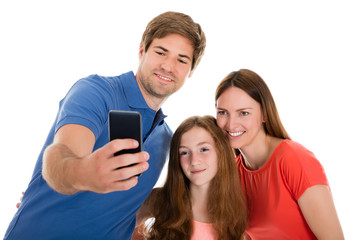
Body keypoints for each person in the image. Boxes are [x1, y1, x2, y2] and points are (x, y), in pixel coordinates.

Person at [4, 11, 206, 240]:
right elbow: (59, 157)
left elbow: (128, 210)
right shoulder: (95, 92)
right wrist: (83, 173)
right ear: (142, 51)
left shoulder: (166, 138)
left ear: (190, 72)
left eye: (181, 60)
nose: (168, 67)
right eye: (161, 52)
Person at [215, 69, 344, 239]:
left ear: (264, 115)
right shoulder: (235, 173)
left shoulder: (293, 159)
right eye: (223, 112)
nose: (231, 124)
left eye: (243, 113)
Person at [133, 115, 248, 240]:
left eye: (203, 149)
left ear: (221, 152)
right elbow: (117, 223)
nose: (194, 161)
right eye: (184, 152)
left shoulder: (240, 210)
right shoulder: (161, 200)